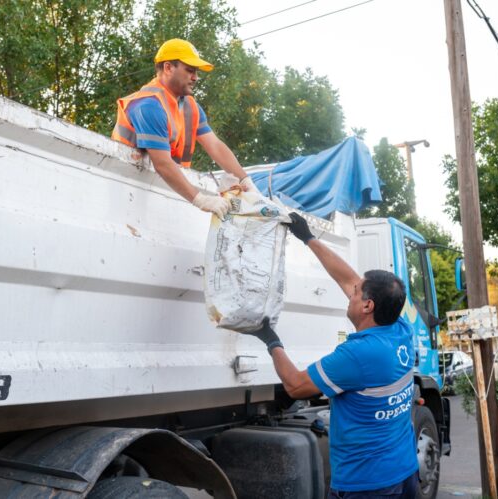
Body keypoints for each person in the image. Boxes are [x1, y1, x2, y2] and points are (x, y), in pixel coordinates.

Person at [247, 214, 419, 498]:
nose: (350, 294)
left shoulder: (359, 355)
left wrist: (270, 339)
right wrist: (308, 238)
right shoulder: (401, 329)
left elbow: (295, 385)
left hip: (368, 485)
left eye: (355, 294)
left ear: (368, 306)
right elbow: (349, 278)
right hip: (404, 471)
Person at [112, 39, 257, 218]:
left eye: (196, 71)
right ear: (168, 68)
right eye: (189, 70)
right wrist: (201, 200)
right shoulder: (148, 105)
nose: (195, 77)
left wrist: (246, 181)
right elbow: (162, 164)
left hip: (161, 192)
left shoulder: (190, 106)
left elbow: (215, 146)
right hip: (124, 190)